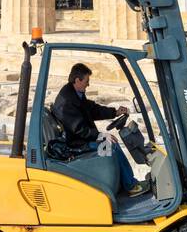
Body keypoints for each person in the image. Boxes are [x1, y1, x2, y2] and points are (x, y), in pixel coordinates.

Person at [52, 62, 143, 196]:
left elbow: (92, 110)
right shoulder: (67, 103)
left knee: (112, 143)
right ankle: (131, 185)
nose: (88, 84)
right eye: (87, 81)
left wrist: (114, 112)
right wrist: (101, 136)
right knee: (111, 146)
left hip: (78, 138)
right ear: (77, 80)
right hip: (75, 144)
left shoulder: (75, 93)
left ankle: (124, 183)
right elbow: (80, 130)